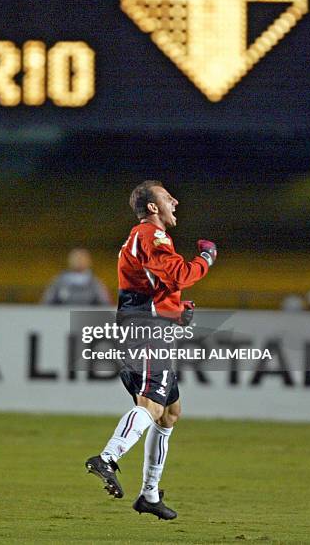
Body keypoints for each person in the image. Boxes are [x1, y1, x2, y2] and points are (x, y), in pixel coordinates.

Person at [85, 180, 217, 520]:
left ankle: (150, 494)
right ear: (153, 207)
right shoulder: (150, 235)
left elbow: (154, 289)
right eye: (166, 196)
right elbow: (179, 275)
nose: (175, 199)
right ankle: (108, 456)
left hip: (150, 327)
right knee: (151, 404)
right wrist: (206, 257)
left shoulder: (144, 239)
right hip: (145, 332)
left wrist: (176, 312)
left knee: (169, 412)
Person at [41, 248, 111, 305]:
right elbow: (47, 303)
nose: (79, 261)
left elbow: (105, 305)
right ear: (69, 260)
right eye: (76, 258)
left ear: (89, 261)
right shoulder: (59, 282)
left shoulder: (96, 283)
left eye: (82, 258)